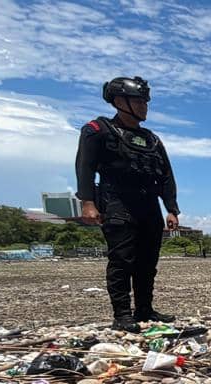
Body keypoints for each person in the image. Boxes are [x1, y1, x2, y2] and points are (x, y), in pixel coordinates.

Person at [76, 76, 180, 333]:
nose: (144, 106)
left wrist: (172, 208)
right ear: (119, 101)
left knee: (147, 261)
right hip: (116, 202)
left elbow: (166, 175)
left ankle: (145, 308)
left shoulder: (152, 139)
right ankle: (122, 314)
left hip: (148, 205)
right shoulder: (98, 130)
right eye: (138, 101)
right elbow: (85, 167)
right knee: (122, 259)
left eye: (145, 102)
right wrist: (88, 202)